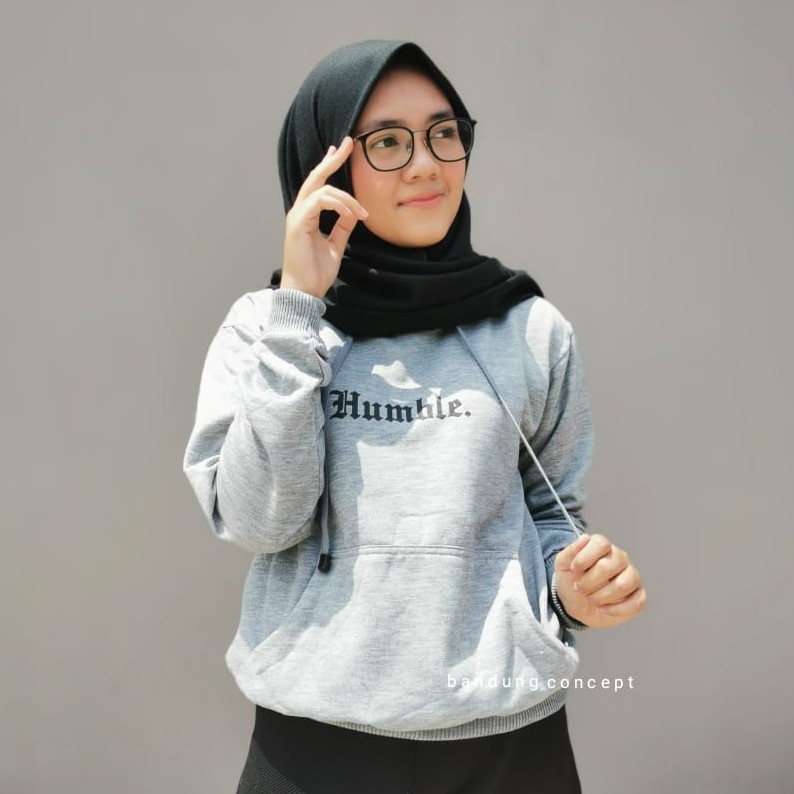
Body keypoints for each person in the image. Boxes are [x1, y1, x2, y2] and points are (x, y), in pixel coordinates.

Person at [183, 39, 647, 794]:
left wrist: (575, 586)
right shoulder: (265, 329)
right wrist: (298, 308)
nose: (428, 164)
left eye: (443, 133)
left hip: (509, 747)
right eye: (388, 142)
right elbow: (259, 521)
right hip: (313, 749)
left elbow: (552, 517)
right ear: (325, 167)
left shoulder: (531, 330)